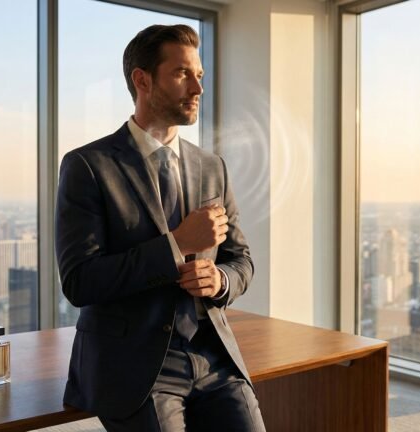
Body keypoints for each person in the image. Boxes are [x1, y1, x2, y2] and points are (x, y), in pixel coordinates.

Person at [55, 24, 265, 431]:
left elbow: (241, 260)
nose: (198, 88)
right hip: (136, 365)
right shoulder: (87, 166)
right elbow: (80, 281)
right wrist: (177, 245)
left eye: (199, 76)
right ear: (142, 80)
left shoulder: (211, 167)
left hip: (213, 356)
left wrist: (219, 280)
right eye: (183, 74)